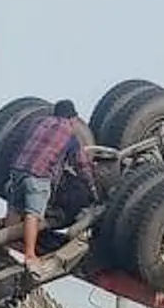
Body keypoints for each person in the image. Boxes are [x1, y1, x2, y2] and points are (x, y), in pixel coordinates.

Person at [6, 99, 97, 275]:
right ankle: (30, 255)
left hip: (18, 169)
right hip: (38, 175)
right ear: (72, 118)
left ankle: (7, 247)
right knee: (33, 215)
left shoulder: (38, 122)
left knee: (15, 210)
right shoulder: (71, 136)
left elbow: (18, 138)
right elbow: (82, 165)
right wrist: (92, 188)